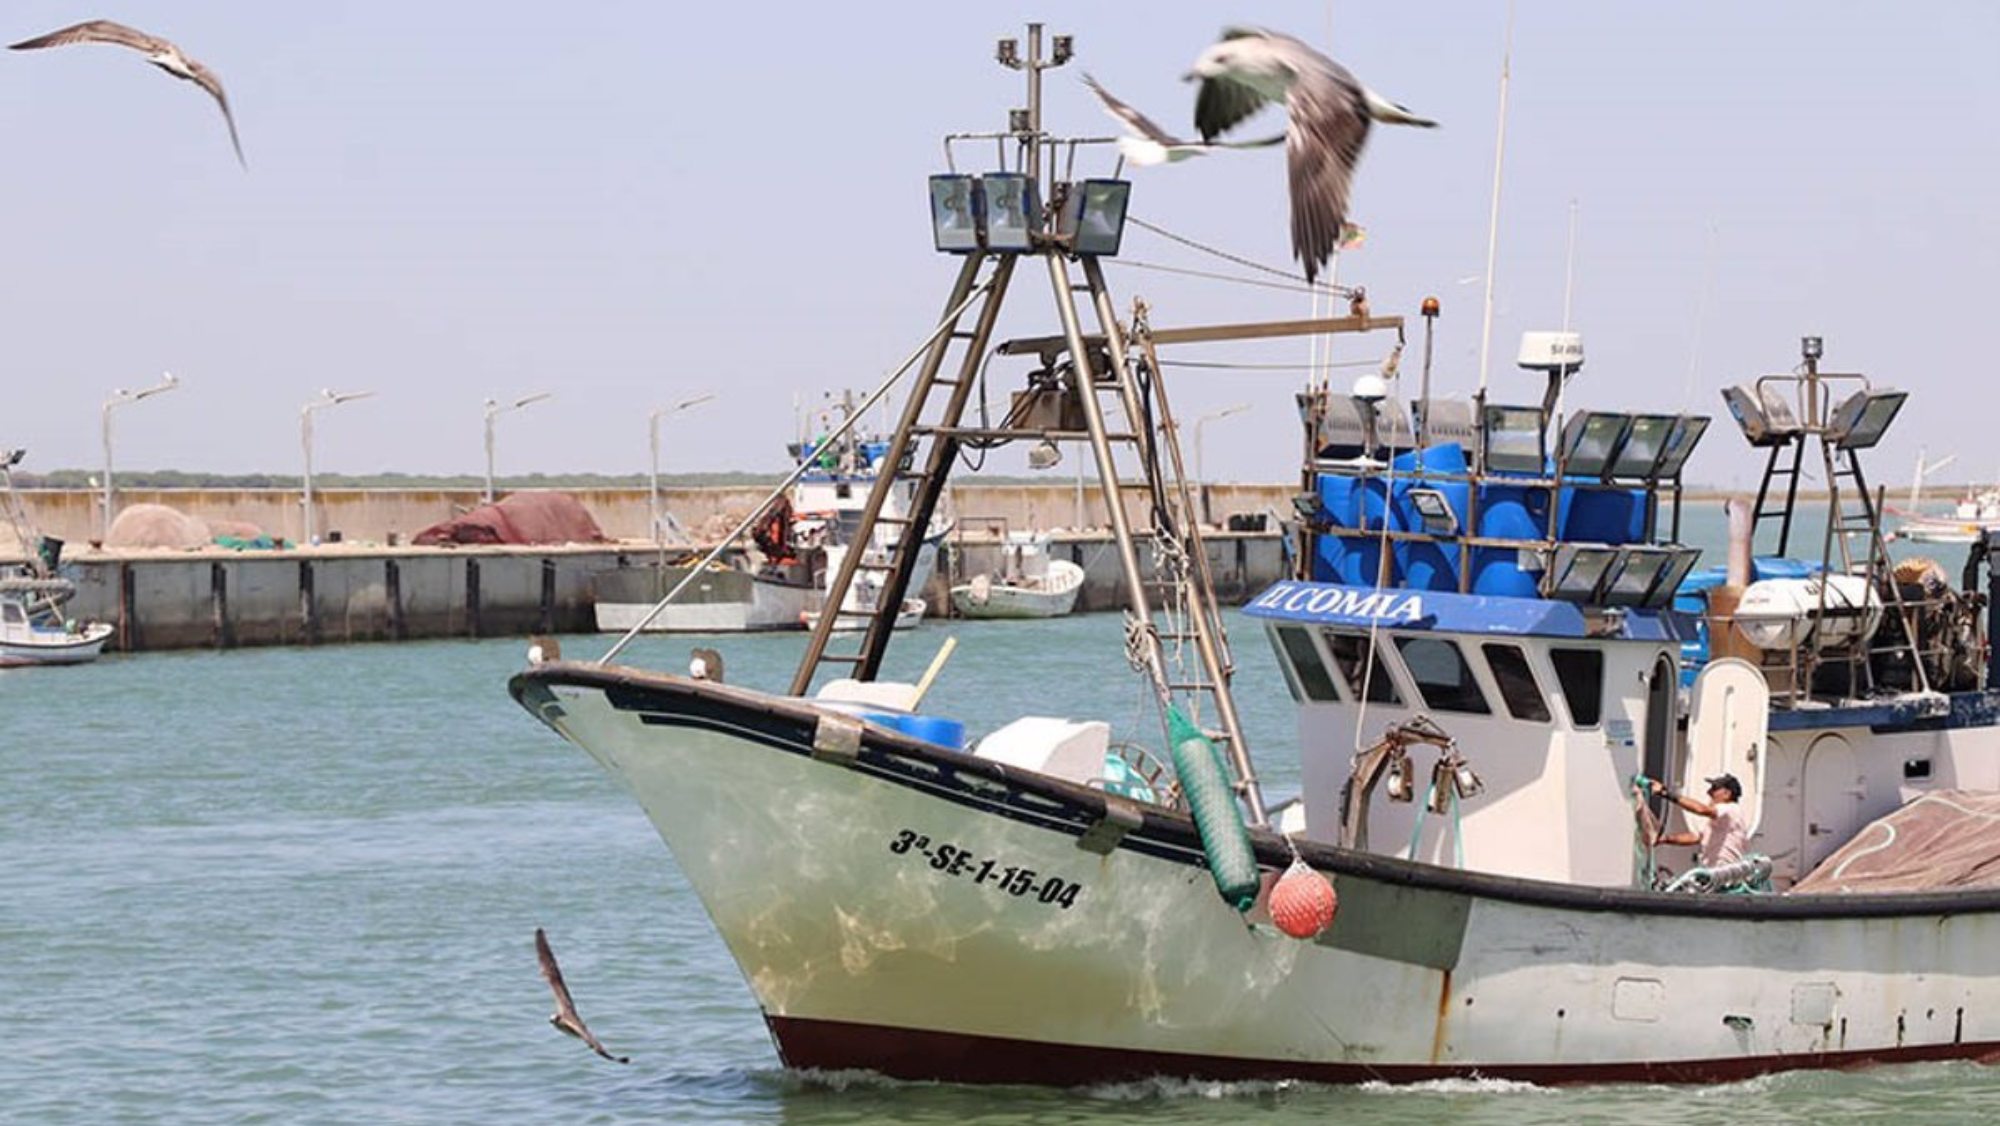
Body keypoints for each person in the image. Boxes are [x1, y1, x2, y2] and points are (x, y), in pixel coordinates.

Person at [1650, 773, 1750, 868]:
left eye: (1714, 789)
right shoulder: (1719, 819)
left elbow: (1701, 810)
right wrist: (1665, 839)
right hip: (1713, 872)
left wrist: (1666, 793)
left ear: (1727, 794)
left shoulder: (1730, 809)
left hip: (1725, 872)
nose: (1709, 792)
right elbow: (1696, 837)